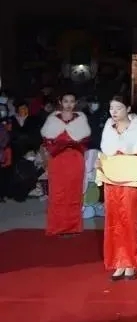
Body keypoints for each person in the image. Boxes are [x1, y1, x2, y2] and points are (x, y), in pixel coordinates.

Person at [98, 96, 137, 280]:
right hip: (112, 180)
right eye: (111, 108)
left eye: (118, 108)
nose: (114, 112)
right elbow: (105, 153)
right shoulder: (108, 127)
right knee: (113, 221)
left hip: (130, 179)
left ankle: (130, 263)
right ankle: (118, 263)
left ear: (128, 109)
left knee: (129, 220)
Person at [40, 92, 91, 236]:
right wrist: (58, 145)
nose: (69, 104)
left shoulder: (81, 119)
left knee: (74, 193)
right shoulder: (52, 120)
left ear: (75, 103)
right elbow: (47, 142)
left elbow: (85, 142)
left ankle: (74, 227)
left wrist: (72, 143)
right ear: (60, 102)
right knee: (57, 194)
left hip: (75, 160)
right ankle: (57, 227)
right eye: (66, 101)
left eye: (72, 101)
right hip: (57, 160)